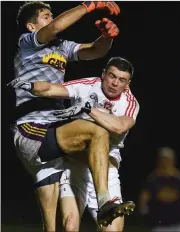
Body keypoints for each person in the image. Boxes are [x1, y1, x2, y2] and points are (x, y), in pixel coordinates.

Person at [9, 1, 121, 231]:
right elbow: (55, 27)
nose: (51, 19)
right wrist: (87, 6)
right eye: (46, 16)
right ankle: (103, 201)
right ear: (32, 26)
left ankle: (102, 202)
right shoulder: (28, 42)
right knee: (96, 131)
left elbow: (93, 51)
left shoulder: (61, 47)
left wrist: (106, 37)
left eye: (52, 15)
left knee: (53, 226)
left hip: (52, 131)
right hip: (31, 127)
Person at [11, 56, 139, 231]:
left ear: (128, 84)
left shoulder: (129, 102)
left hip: (106, 172)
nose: (115, 83)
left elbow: (119, 126)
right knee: (70, 225)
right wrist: (31, 86)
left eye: (121, 80)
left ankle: (104, 200)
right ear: (103, 74)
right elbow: (51, 88)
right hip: (74, 167)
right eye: (112, 76)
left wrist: (88, 109)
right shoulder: (88, 85)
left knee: (113, 231)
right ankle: (104, 202)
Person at [139, 147, 180, 232]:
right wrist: (145, 213)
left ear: (173, 160)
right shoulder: (153, 179)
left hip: (178, 223)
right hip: (158, 224)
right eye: (163, 159)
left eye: (168, 159)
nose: (165, 162)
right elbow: (144, 198)